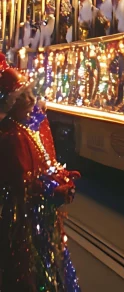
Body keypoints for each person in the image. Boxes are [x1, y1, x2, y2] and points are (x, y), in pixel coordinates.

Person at [0, 53, 81, 291]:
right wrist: (53, 188)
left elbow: (45, 166)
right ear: (12, 104)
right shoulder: (12, 137)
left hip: (41, 219)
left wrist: (60, 177)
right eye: (24, 96)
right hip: (24, 221)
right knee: (29, 272)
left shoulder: (28, 128)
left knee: (50, 265)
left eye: (30, 94)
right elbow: (23, 184)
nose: (32, 100)